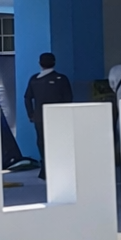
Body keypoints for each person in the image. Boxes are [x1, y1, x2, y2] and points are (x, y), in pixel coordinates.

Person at [22, 52, 73, 180]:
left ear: (40, 63)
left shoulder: (35, 79)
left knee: (42, 142)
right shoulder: (62, 79)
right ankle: (58, 167)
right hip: (58, 117)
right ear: (54, 62)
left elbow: (27, 97)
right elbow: (68, 98)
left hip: (39, 117)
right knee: (58, 142)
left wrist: (31, 114)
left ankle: (45, 168)